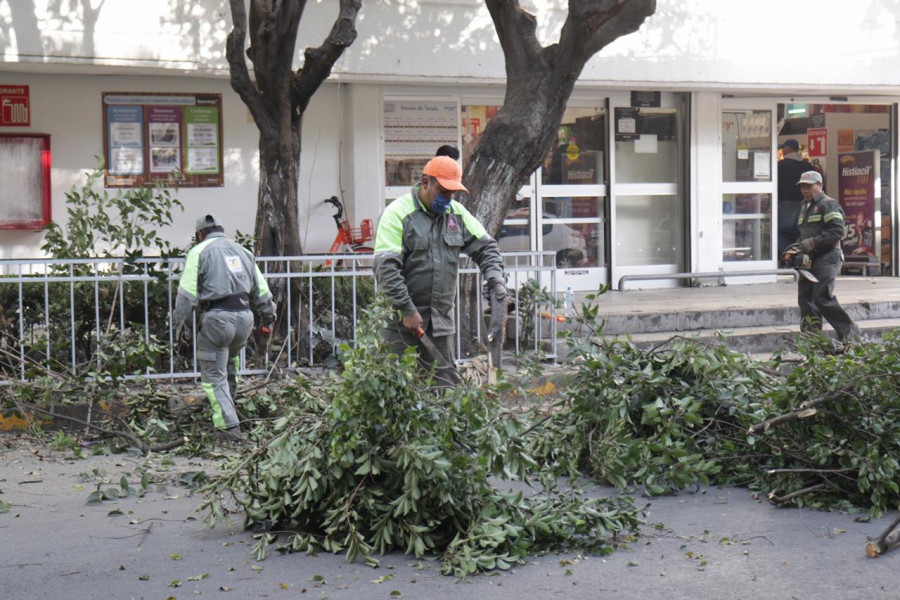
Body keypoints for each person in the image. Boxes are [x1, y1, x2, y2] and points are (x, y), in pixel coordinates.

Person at [373, 156, 505, 383]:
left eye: (452, 193)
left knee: (444, 392)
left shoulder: (457, 214)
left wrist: (495, 279)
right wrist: (406, 309)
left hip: (440, 323)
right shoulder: (397, 214)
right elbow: (386, 268)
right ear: (425, 183)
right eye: (443, 191)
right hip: (398, 322)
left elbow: (487, 248)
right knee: (388, 387)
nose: (448, 198)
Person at [173, 214, 277, 440]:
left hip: (217, 320)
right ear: (221, 229)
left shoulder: (199, 251)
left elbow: (186, 295)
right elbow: (262, 293)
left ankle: (229, 429)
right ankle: (232, 415)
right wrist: (268, 319)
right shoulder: (243, 252)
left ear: (200, 234)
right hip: (244, 319)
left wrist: (181, 329)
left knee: (213, 376)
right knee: (229, 369)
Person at [791, 171, 859, 345]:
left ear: (820, 186)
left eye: (809, 186)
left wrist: (813, 242)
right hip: (809, 259)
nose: (805, 190)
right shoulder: (803, 206)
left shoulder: (828, 204)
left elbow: (837, 231)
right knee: (806, 299)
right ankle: (812, 340)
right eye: (803, 187)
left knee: (822, 297)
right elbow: (805, 232)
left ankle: (850, 333)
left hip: (828, 257)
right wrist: (799, 246)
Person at [777, 139, 814, 257]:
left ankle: (785, 258)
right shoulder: (807, 165)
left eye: (784, 148)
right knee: (800, 233)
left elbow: (776, 186)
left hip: (785, 205)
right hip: (804, 204)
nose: (782, 150)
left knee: (782, 233)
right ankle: (798, 258)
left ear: (789, 149)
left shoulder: (781, 165)